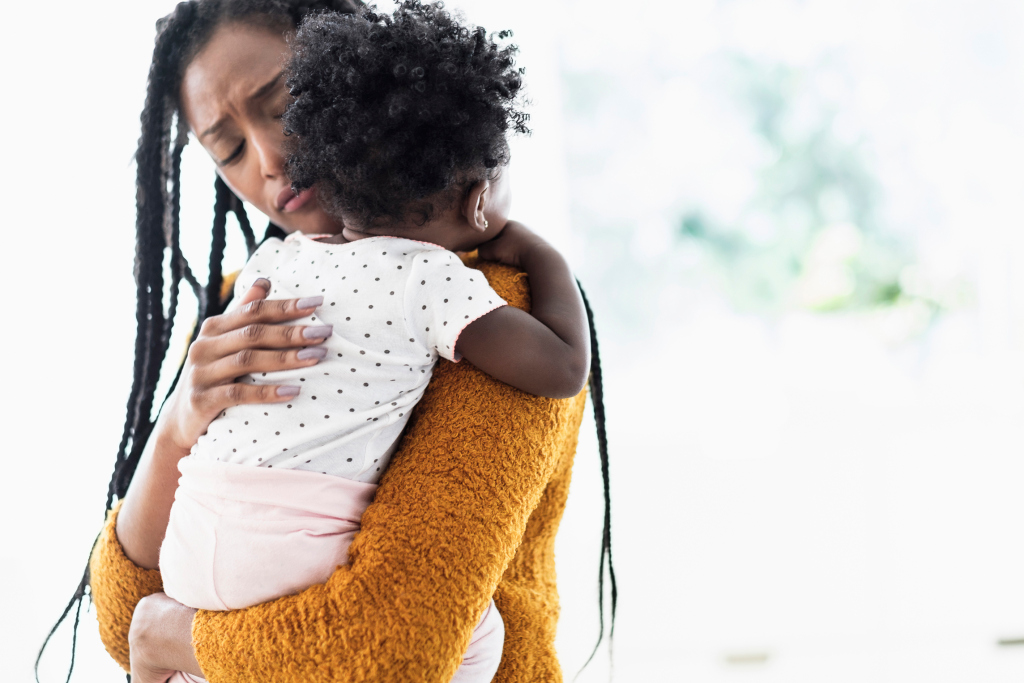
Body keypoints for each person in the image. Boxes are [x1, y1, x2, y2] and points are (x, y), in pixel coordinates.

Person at [36, 1, 615, 682]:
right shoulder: (254, 297)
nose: (270, 159)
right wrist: (175, 429)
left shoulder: (494, 306)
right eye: (226, 148)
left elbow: (388, 646)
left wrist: (175, 639)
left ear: (365, 81)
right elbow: (125, 616)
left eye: (284, 104)